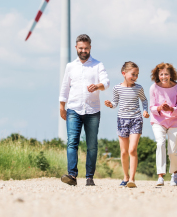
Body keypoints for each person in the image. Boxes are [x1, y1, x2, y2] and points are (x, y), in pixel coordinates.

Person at [59, 34, 109, 186]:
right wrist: (62, 105)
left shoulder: (98, 65)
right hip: (73, 108)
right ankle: (72, 176)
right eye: (81, 48)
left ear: (90, 48)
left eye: (86, 48)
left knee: (92, 144)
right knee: (72, 142)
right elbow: (65, 87)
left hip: (92, 110)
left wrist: (98, 86)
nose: (83, 51)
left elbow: (106, 82)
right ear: (76, 48)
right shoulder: (70, 66)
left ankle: (89, 177)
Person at [104, 61, 149, 188]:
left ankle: (132, 179)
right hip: (122, 120)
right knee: (124, 152)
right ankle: (125, 176)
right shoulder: (117, 88)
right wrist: (110, 104)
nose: (135, 77)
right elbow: (115, 103)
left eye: (137, 75)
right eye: (133, 74)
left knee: (132, 149)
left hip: (136, 119)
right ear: (124, 73)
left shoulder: (138, 88)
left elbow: (144, 100)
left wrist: (145, 110)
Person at [149, 62, 177, 187]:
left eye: (166, 74)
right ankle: (160, 176)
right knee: (160, 143)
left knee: (172, 151)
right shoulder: (153, 87)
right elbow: (152, 107)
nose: (164, 77)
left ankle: (174, 173)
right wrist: (160, 108)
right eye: (161, 74)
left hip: (175, 121)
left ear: (171, 75)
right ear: (157, 75)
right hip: (159, 121)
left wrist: (170, 109)